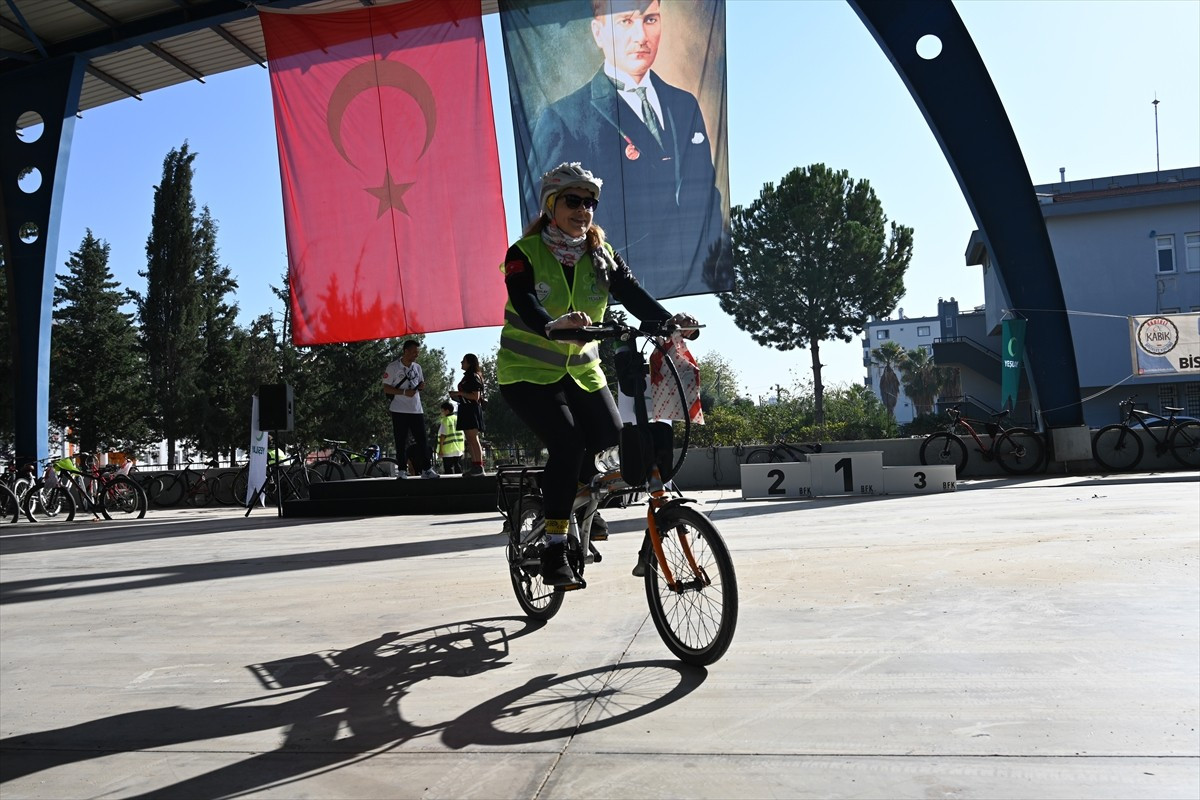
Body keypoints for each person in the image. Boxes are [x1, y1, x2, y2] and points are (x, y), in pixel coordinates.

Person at [497, 162, 698, 587]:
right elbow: (526, 300)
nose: (583, 209)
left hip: (583, 374)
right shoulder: (524, 253)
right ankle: (554, 549)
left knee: (611, 436)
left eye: (590, 202)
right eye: (573, 200)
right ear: (552, 204)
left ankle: (580, 497)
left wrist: (669, 322)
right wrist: (550, 325)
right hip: (527, 374)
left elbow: (635, 296)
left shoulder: (601, 257)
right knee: (567, 444)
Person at [526, 0, 731, 298]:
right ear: (598, 32)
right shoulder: (563, 118)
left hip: (693, 282)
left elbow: (706, 195)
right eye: (625, 21)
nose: (641, 36)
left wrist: (709, 267)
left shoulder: (685, 104)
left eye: (650, 20)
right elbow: (544, 214)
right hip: (609, 290)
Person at [382, 339, 439, 479]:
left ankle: (426, 469)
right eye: (414, 352)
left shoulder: (417, 367)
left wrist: (421, 386)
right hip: (399, 409)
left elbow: (419, 382)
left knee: (422, 441)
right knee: (400, 441)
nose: (416, 355)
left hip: (416, 409)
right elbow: (386, 388)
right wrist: (403, 392)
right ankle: (402, 470)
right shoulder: (393, 367)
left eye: (417, 353)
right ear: (405, 351)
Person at [449, 353, 488, 476]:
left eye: (463, 361)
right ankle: (475, 465)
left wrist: (459, 393)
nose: (461, 363)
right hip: (465, 409)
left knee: (473, 438)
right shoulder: (467, 376)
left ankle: (479, 466)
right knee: (470, 439)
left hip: (471, 410)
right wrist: (457, 396)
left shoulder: (473, 376)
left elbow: (475, 396)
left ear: (469, 363)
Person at [436, 401, 465, 474]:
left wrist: (440, 449)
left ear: (447, 411)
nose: (441, 413)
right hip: (458, 449)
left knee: (448, 468)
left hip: (448, 450)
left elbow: (443, 435)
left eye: (442, 411)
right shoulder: (457, 419)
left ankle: (450, 483)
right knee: (457, 465)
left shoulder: (445, 420)